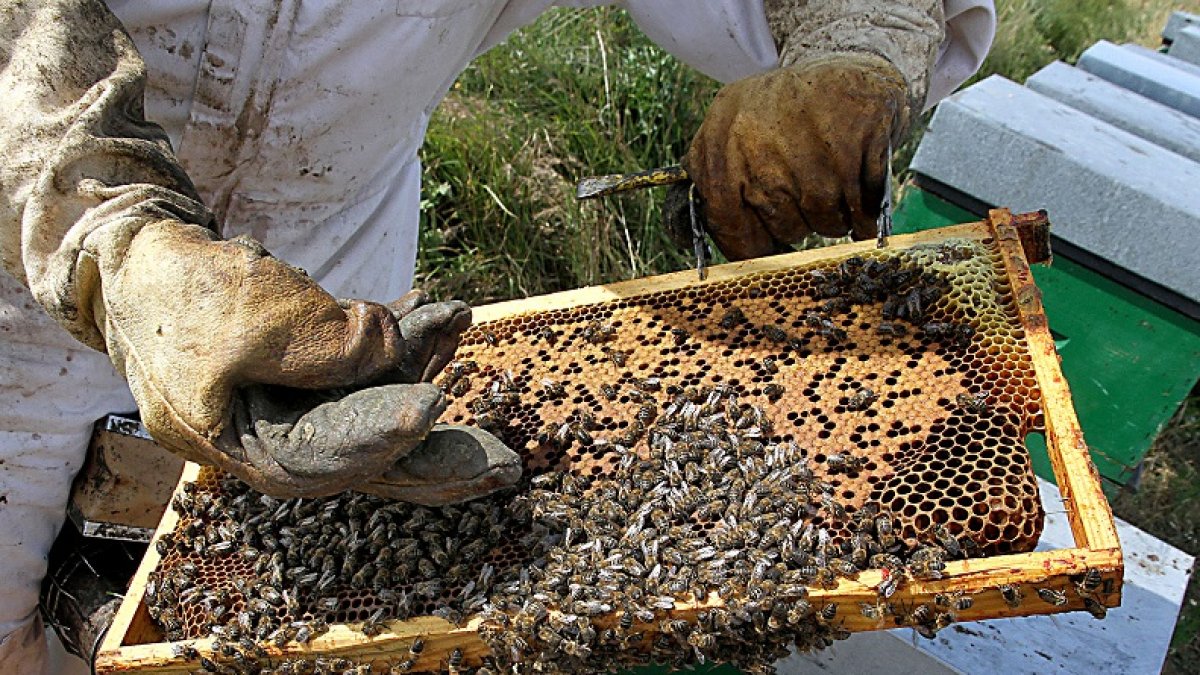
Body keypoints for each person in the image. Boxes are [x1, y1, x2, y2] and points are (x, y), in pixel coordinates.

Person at [0, 0, 994, 671]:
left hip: (327, 340)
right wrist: (110, 241)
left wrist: (856, 35)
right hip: (18, 319)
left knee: (330, 629)